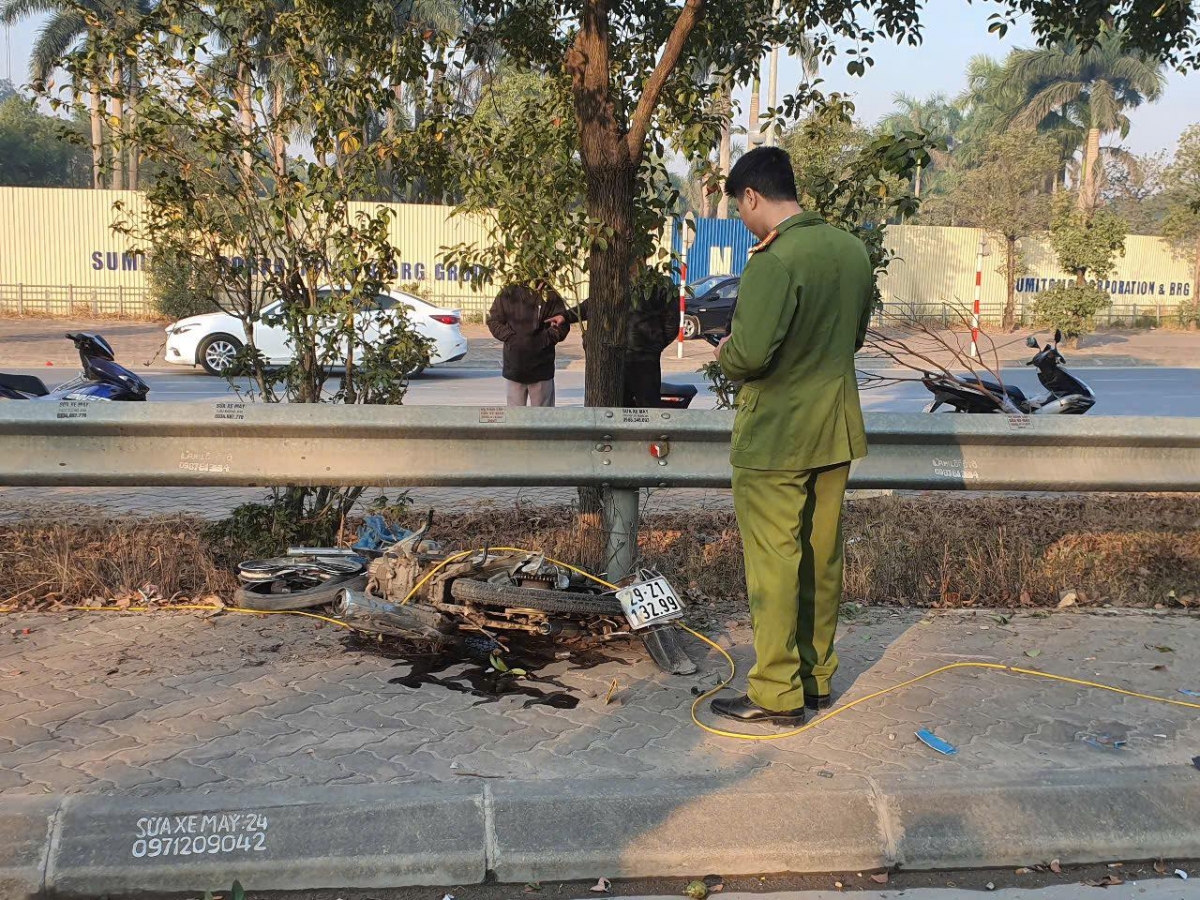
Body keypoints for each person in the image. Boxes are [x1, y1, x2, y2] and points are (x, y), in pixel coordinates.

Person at [711, 146, 875, 726]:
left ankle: (777, 693)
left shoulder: (773, 261)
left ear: (752, 197)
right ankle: (817, 678)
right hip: (835, 430)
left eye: (739, 208)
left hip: (777, 437)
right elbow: (852, 338)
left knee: (775, 564)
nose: (742, 219)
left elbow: (751, 354)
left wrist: (726, 352)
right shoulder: (851, 250)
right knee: (820, 558)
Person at [546, 268, 677, 407]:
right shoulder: (616, 283)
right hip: (618, 359)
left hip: (647, 362)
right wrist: (565, 316)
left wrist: (654, 346)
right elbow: (592, 304)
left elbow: (672, 324)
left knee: (649, 409)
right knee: (620, 409)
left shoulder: (660, 286)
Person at [487, 278, 570, 407]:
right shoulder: (508, 292)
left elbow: (562, 324)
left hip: (542, 369)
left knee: (543, 421)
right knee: (516, 421)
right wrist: (512, 339)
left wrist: (543, 340)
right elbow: (494, 321)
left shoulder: (549, 293)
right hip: (514, 368)